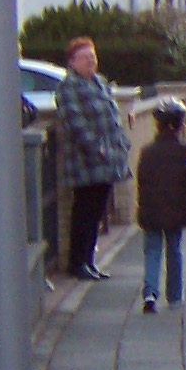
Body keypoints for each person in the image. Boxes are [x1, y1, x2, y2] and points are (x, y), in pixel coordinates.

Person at [53, 37, 132, 280]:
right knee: (84, 212)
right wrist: (97, 149)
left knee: (97, 212)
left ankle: (89, 261)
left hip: (107, 160)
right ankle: (77, 263)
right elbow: (76, 124)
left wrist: (120, 144)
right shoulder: (69, 87)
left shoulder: (99, 82)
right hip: (85, 162)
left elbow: (111, 115)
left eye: (93, 56)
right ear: (72, 62)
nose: (91, 61)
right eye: (85, 57)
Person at [135, 98, 186, 313]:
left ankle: (150, 292)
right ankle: (175, 294)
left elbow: (141, 181)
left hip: (151, 210)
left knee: (152, 250)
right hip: (176, 210)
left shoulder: (147, 152)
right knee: (174, 250)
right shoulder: (185, 153)